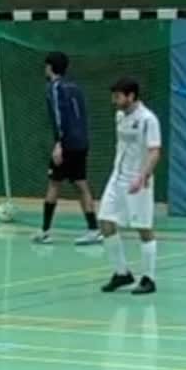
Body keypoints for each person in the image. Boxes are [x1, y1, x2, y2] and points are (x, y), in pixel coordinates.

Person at [98, 78, 162, 295]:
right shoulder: (119, 117)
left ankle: (149, 278)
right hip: (117, 179)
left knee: (143, 228)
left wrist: (142, 176)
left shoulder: (148, 120)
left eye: (117, 96)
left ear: (131, 96)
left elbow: (154, 152)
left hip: (138, 180)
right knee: (106, 222)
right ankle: (122, 273)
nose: (114, 101)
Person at [32, 52, 102, 245]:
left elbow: (59, 117)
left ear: (50, 67)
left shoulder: (55, 88)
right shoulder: (76, 88)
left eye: (46, 66)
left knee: (54, 184)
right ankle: (93, 229)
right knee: (81, 184)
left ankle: (45, 231)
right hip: (81, 142)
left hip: (67, 144)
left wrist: (59, 144)